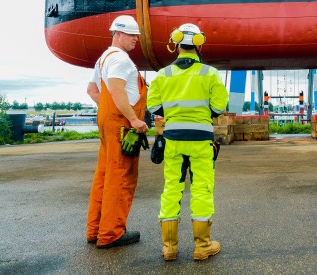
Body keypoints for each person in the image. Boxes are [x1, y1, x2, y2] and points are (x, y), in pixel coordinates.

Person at [147, 23, 229, 261]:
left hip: (172, 139)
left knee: (171, 188)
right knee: (202, 189)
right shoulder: (210, 73)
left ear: (176, 43)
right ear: (199, 44)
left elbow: (154, 107)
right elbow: (218, 107)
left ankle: (169, 247)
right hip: (201, 140)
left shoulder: (163, 75)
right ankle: (202, 246)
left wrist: (174, 113)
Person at [85, 15, 149, 248]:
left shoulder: (103, 59)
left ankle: (95, 230)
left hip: (109, 121)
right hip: (122, 124)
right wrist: (132, 119)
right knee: (120, 176)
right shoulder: (121, 60)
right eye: (132, 35)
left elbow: (92, 90)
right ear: (118, 34)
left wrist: (108, 111)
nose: (136, 40)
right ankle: (111, 233)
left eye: (136, 36)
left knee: (103, 175)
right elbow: (116, 89)